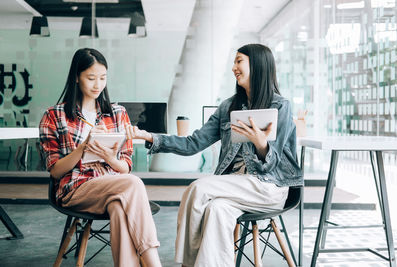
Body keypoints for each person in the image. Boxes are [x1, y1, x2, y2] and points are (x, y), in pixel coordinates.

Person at [126, 44, 303, 266]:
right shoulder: (228, 107)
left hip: (269, 187)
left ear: (257, 65)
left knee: (199, 188)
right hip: (234, 188)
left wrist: (261, 144)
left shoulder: (280, 106)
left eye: (239, 61)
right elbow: (193, 144)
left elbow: (274, 162)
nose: (234, 68)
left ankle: (186, 264)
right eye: (235, 62)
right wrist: (150, 137)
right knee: (217, 210)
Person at [39, 48, 162, 267]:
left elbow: (124, 167)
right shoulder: (54, 115)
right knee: (133, 184)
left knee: (118, 206)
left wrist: (111, 157)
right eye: (91, 78)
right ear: (76, 77)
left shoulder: (117, 113)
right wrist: (83, 148)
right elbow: (55, 171)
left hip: (115, 186)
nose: (98, 85)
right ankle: (153, 263)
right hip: (76, 188)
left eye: (103, 78)